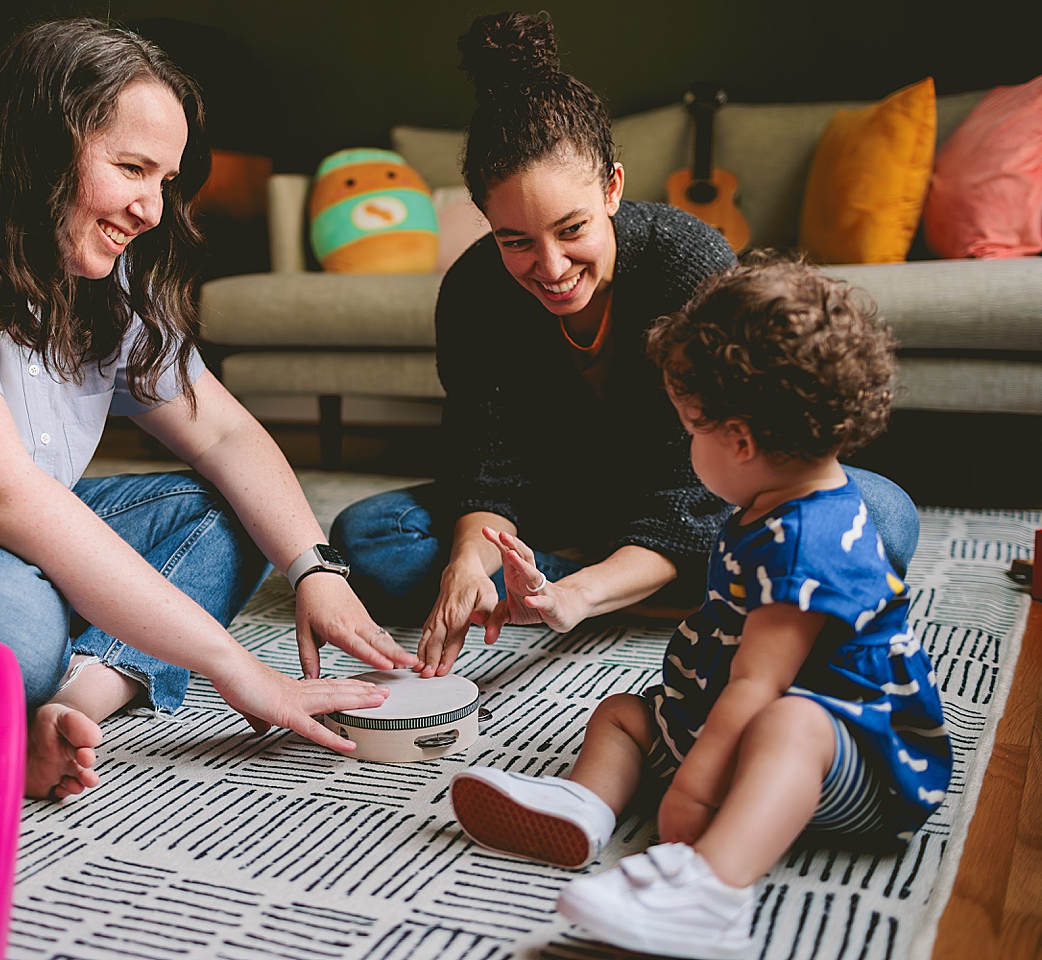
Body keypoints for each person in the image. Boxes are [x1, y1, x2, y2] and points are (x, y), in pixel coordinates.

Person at [0, 17, 416, 801]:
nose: (153, 210)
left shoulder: (82, 256)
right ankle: (27, 650)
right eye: (131, 168)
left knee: (223, 515)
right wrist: (236, 667)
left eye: (164, 181)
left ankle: (70, 706)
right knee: (9, 623)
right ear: (38, 144)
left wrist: (313, 569)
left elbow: (221, 427)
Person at [330, 11, 919, 677]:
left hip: (691, 496)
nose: (550, 268)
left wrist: (577, 595)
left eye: (571, 228)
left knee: (880, 517)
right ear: (487, 221)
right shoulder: (472, 288)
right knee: (370, 540)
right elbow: (487, 467)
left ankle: (586, 587)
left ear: (612, 188)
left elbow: (707, 474)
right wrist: (469, 561)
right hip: (558, 504)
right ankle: (656, 588)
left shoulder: (688, 260)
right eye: (515, 241)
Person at [447, 257, 953, 960]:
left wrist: (696, 784)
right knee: (624, 714)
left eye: (690, 429)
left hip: (855, 762)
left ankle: (715, 892)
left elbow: (758, 685)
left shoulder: (810, 539)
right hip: (731, 715)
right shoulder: (769, 502)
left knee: (790, 723)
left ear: (739, 441)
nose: (685, 445)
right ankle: (585, 806)